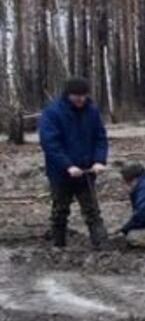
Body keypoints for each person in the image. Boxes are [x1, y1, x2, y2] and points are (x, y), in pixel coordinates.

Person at [38, 77, 109, 249]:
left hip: (87, 171)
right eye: (77, 96)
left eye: (84, 95)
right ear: (68, 95)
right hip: (61, 173)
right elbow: (50, 143)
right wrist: (67, 165)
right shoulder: (52, 112)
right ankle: (58, 245)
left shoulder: (92, 111)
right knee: (60, 211)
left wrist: (99, 160)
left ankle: (102, 247)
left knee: (92, 211)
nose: (81, 99)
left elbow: (100, 138)